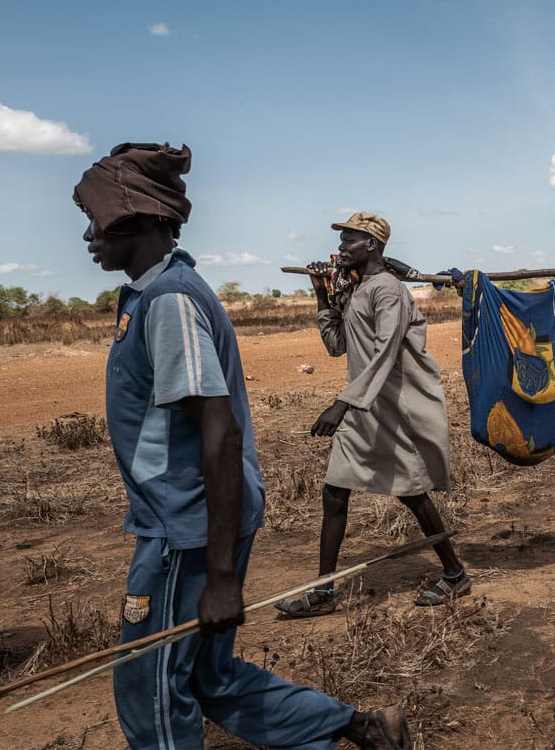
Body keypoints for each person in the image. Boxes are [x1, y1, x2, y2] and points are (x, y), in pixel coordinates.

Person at [74, 142, 412, 749]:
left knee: (152, 685)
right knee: (209, 675)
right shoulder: (156, 294)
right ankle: (361, 727)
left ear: (137, 221)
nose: (88, 235)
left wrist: (222, 575)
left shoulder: (170, 302)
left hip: (186, 527)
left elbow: (221, 432)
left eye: (96, 220)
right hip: (187, 519)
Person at [273, 211, 470, 617]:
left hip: (393, 407)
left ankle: (455, 574)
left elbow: (385, 354)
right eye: (342, 240)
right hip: (364, 407)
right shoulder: (358, 290)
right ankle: (323, 592)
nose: (341, 247)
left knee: (411, 493)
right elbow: (337, 346)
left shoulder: (389, 291)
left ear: (372, 245)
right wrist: (322, 294)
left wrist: (341, 403)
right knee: (334, 492)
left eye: (349, 240)